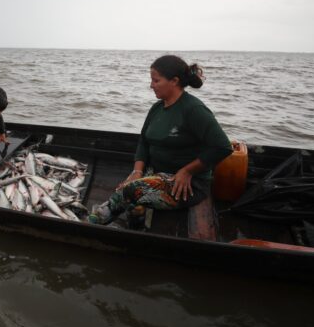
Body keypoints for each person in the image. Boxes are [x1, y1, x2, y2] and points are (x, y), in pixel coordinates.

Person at [89, 54, 232, 229]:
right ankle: (136, 229)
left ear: (174, 81)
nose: (151, 85)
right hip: (156, 171)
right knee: (127, 189)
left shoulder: (193, 109)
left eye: (156, 81)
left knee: (130, 191)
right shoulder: (157, 108)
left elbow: (223, 147)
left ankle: (90, 224)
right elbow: (144, 141)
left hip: (186, 184)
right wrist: (136, 171)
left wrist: (187, 171)